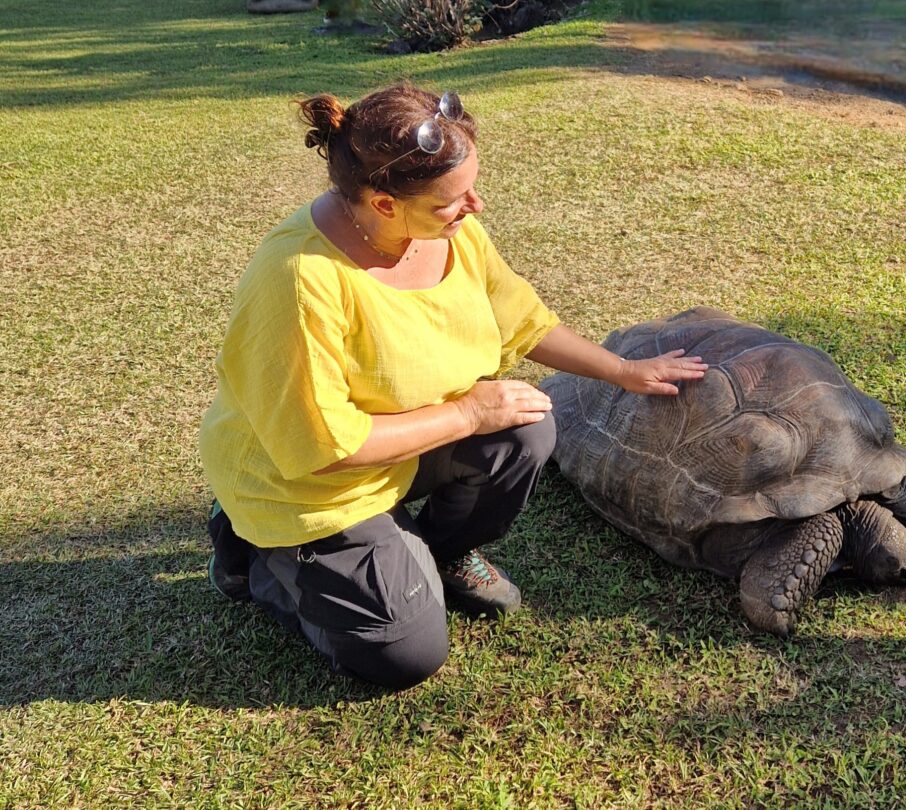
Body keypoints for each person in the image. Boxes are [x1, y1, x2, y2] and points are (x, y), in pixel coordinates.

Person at [198, 83, 707, 690]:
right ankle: (258, 556)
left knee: (525, 427)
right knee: (405, 656)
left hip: (402, 448)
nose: (475, 207)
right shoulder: (300, 282)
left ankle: (434, 553)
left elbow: (522, 320)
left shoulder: (449, 234)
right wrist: (467, 414)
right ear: (384, 203)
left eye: (470, 188)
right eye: (452, 200)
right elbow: (324, 448)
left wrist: (623, 371)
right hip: (307, 487)